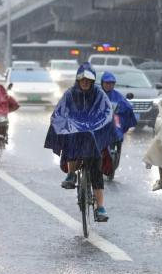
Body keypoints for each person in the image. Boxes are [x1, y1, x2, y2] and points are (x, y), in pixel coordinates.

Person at [44, 63, 118, 222]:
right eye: (82, 79)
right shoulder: (70, 94)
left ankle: (101, 207)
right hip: (75, 132)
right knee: (70, 139)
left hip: (93, 135)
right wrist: (66, 123)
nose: (85, 82)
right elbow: (59, 112)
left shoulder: (99, 94)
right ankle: (71, 175)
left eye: (88, 80)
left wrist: (96, 125)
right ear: (78, 80)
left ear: (93, 81)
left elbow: (106, 113)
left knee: (96, 170)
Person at [101, 71, 137, 141]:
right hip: (98, 120)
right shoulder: (97, 94)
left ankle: (116, 147)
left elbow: (127, 107)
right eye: (107, 83)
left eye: (111, 83)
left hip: (113, 120)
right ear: (102, 83)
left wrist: (118, 109)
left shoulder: (118, 96)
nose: (109, 85)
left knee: (117, 131)